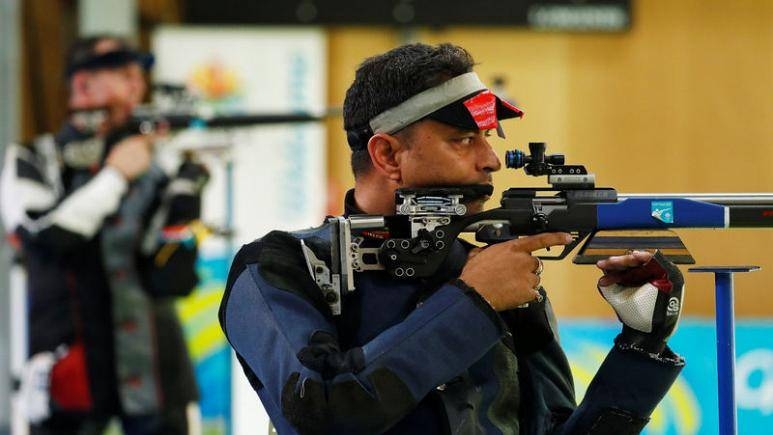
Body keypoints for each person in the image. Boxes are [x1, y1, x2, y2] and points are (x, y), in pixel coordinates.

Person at [218, 43, 685, 434]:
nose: (492, 161)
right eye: (464, 138)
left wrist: (641, 346)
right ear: (387, 155)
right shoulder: (282, 266)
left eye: (488, 136)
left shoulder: (495, 272)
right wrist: (474, 301)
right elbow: (318, 414)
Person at [0, 35, 207, 435]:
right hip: (68, 373)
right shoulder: (31, 159)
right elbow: (42, 237)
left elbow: (173, 278)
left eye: (137, 77)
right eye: (123, 74)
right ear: (82, 86)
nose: (136, 86)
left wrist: (183, 196)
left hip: (155, 374)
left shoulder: (156, 162)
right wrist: (115, 175)